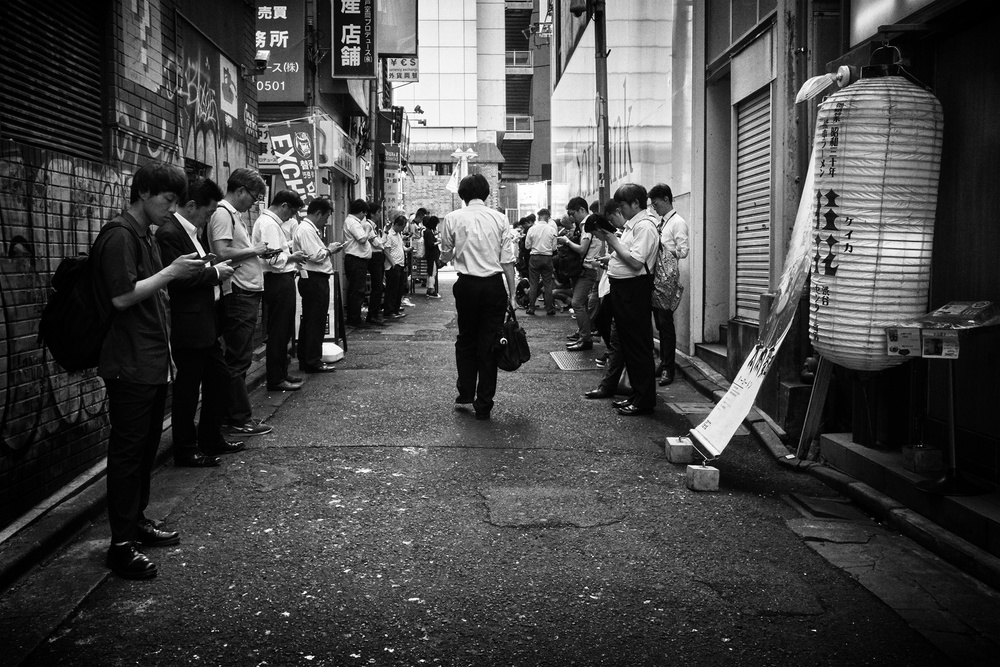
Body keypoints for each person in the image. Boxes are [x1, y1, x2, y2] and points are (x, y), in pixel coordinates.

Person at [92, 161, 207, 579]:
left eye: (176, 201)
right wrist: (173, 271)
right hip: (129, 363)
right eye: (168, 199)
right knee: (128, 453)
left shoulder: (145, 235)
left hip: (153, 360)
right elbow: (122, 297)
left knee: (143, 450)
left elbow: (154, 298)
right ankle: (120, 545)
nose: (172, 209)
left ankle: (136, 522)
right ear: (143, 193)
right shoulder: (120, 235)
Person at [156, 176, 240, 469]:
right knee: (188, 391)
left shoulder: (193, 231)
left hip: (206, 322)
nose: (209, 218)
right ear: (191, 206)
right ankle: (185, 449)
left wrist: (211, 266)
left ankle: (210, 437)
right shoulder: (169, 234)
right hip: (188, 326)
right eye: (208, 212)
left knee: (219, 379)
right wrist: (215, 274)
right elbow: (176, 279)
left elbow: (194, 270)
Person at [438, 173, 517, 421]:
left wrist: (446, 256)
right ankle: (484, 404)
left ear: (462, 195)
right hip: (494, 286)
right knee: (490, 343)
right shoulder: (500, 218)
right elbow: (507, 260)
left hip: (467, 286)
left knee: (466, 339)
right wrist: (513, 294)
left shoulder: (452, 218)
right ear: (486, 194)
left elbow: (446, 254)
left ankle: (465, 393)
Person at [207, 168, 273, 436]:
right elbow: (221, 252)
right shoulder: (223, 213)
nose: (254, 203)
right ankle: (238, 418)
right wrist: (254, 250)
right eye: (254, 197)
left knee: (239, 357)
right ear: (241, 190)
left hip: (246, 290)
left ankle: (231, 415)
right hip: (239, 292)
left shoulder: (232, 215)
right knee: (238, 358)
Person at [585, 184, 659, 416]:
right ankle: (637, 394)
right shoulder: (633, 226)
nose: (621, 210)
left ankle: (644, 400)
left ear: (636, 203)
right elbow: (627, 254)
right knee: (628, 344)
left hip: (634, 290)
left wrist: (611, 239)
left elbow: (636, 262)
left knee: (637, 346)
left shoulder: (644, 226)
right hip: (624, 289)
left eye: (623, 205)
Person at [252, 190, 307, 391]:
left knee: (283, 329)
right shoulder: (269, 223)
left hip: (280, 278)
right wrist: (292, 257)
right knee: (279, 330)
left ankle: (281, 372)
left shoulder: (270, 222)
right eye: (291, 212)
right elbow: (273, 258)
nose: (291, 217)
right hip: (277, 278)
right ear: (283, 206)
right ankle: (276, 378)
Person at [293, 197, 345, 373]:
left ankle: (307, 358)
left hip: (313, 278)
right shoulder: (306, 230)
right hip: (314, 278)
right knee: (315, 321)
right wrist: (330, 249)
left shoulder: (308, 229)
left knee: (311, 320)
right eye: (326, 217)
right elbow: (315, 255)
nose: (326, 221)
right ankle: (312, 360)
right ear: (318, 213)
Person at [649, 183, 689, 386]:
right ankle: (664, 362)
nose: (654, 208)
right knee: (659, 322)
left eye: (656, 204)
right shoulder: (662, 222)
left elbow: (684, 251)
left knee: (665, 323)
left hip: (667, 278)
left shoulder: (677, 222)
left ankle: (668, 368)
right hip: (657, 277)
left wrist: (665, 250)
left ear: (666, 199)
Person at [558, 197, 604, 351]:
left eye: (573, 213)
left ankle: (585, 339)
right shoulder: (583, 225)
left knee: (577, 303)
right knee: (582, 304)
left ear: (581, 210)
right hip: (583, 269)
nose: (572, 217)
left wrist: (567, 241)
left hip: (588, 269)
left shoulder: (587, 225)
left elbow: (582, 249)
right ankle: (583, 335)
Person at [342, 199, 373, 329]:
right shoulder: (353, 223)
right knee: (357, 290)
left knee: (357, 289)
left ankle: (354, 317)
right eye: (364, 213)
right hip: (356, 260)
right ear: (360, 212)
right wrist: (367, 229)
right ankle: (354, 319)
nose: (364, 216)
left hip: (357, 260)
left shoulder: (353, 222)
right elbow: (361, 239)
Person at [523, 205, 558, 315]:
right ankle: (549, 308)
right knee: (548, 284)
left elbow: (527, 246)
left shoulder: (532, 229)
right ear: (548, 217)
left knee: (533, 284)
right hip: (547, 258)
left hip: (534, 258)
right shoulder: (552, 230)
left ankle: (531, 308)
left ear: (538, 217)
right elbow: (554, 248)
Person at [365, 201, 387, 326]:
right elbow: (377, 243)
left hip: (377, 256)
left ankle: (374, 313)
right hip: (374, 256)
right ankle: (372, 315)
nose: (380, 215)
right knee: (377, 286)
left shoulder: (372, 226)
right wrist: (385, 238)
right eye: (378, 212)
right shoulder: (368, 225)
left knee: (379, 286)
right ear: (372, 214)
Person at [382, 214, 409, 317]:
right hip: (393, 265)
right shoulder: (389, 234)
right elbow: (386, 251)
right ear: (397, 224)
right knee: (392, 289)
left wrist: (407, 249)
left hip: (400, 264)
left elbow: (400, 247)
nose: (403, 229)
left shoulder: (398, 234)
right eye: (402, 226)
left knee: (399, 289)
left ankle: (395, 310)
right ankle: (389, 311)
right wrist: (393, 263)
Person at [423, 215, 442, 298]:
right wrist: (438, 242)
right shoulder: (429, 232)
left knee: (430, 272)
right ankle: (431, 290)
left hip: (429, 255)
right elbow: (431, 244)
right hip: (432, 255)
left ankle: (429, 289)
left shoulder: (427, 231)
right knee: (432, 272)